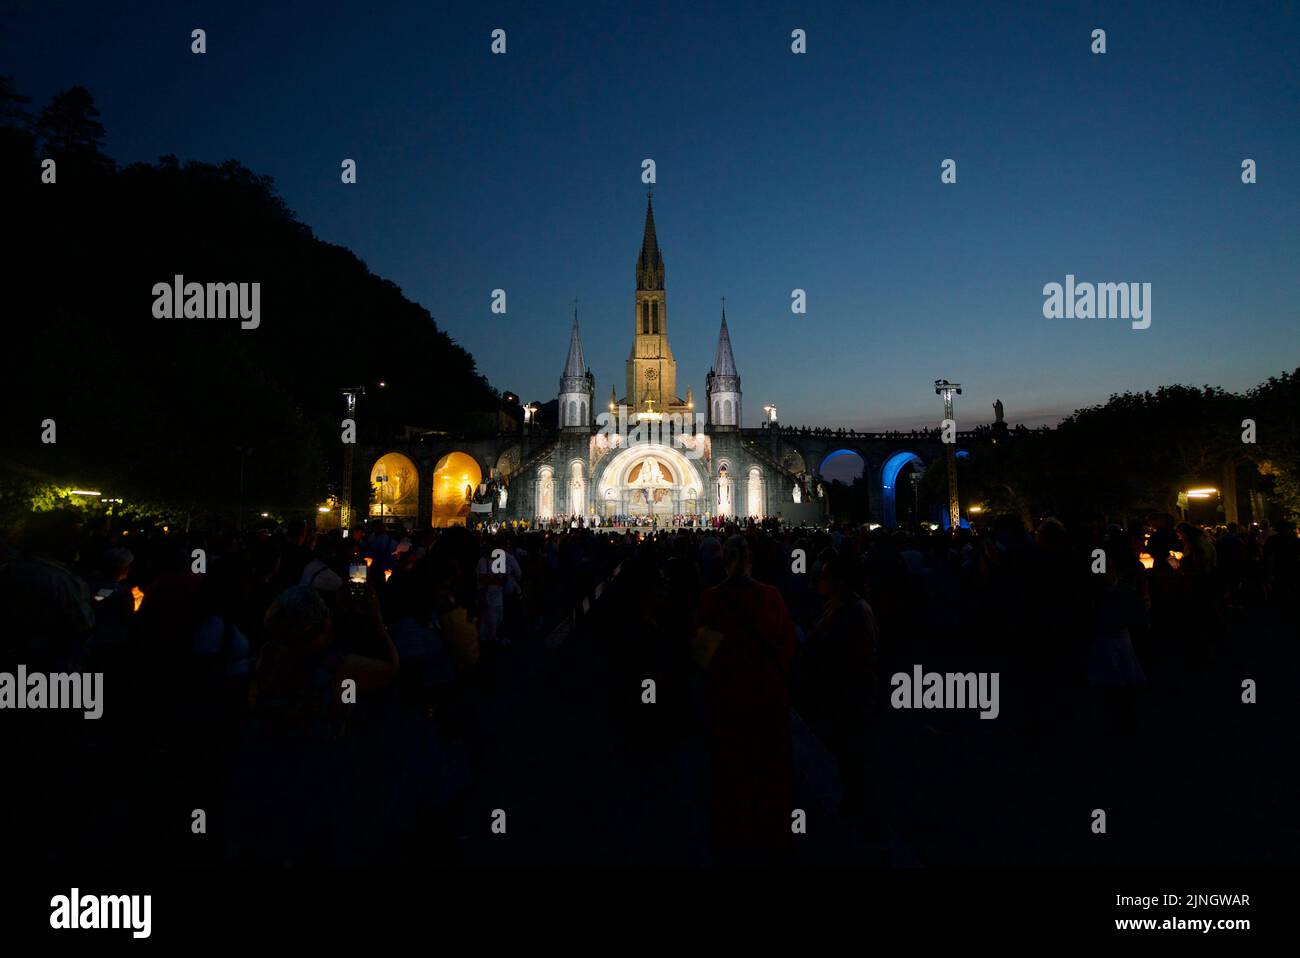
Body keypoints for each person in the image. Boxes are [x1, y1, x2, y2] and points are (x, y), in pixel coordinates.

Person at [693, 535, 797, 861]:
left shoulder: (710, 599)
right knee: (768, 771)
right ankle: (772, 837)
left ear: (723, 561)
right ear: (750, 560)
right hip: (766, 698)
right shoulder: (772, 596)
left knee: (729, 771)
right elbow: (788, 646)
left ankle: (732, 835)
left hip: (726, 699)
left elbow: (700, 657)